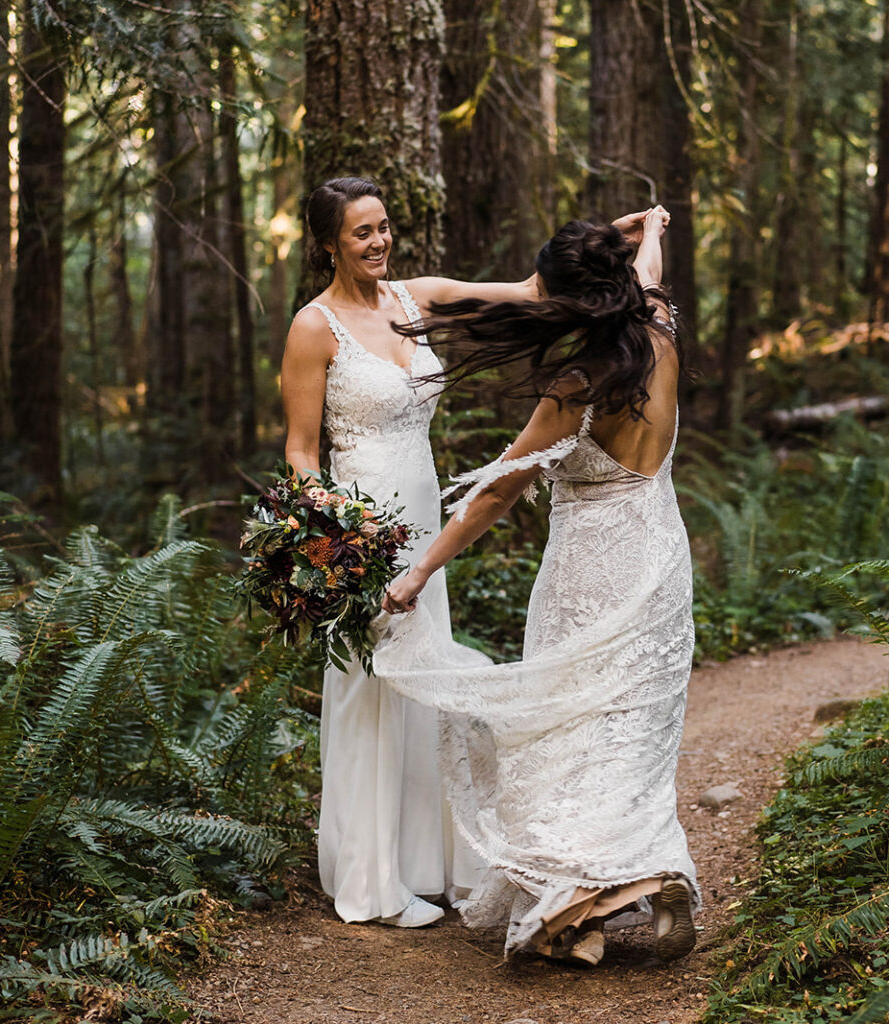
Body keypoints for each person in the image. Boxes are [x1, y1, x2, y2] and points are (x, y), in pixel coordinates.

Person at [373, 207, 698, 967]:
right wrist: (646, 226)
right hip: (658, 556)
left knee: (567, 728)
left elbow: (495, 495)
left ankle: (586, 901)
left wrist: (419, 570)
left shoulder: (578, 384)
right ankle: (648, 870)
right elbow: (646, 266)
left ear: (576, 305)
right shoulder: (657, 328)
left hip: (590, 567)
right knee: (632, 733)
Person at [280, 176, 546, 927]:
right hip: (362, 531)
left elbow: (523, 290)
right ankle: (371, 879)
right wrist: (338, 535)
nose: (379, 242)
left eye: (385, 227)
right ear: (329, 243)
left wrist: (615, 247)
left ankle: (430, 862)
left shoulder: (414, 301)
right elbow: (302, 453)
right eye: (362, 232)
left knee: (425, 677)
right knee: (373, 684)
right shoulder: (313, 326)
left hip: (425, 522)